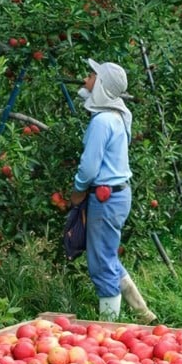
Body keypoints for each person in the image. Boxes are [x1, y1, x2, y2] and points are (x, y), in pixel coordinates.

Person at [69, 59, 157, 323]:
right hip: (118, 195)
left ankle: (107, 328)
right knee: (106, 254)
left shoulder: (102, 121)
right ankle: (142, 313)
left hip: (105, 197)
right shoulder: (118, 115)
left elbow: (89, 165)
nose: (86, 79)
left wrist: (78, 189)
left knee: (100, 263)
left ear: (102, 85)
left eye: (92, 76)